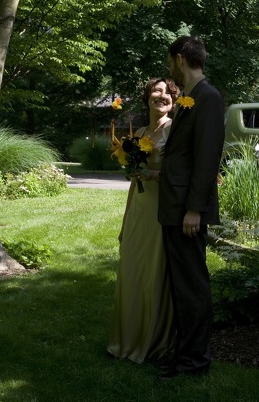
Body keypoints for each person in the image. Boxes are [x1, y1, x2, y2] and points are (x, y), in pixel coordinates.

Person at [158, 36, 225, 378]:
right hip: (174, 206)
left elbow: (207, 157)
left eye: (171, 61)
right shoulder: (188, 98)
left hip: (187, 209)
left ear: (180, 58)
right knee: (181, 285)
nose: (169, 68)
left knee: (192, 286)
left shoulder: (208, 98)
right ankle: (183, 354)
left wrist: (195, 209)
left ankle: (195, 362)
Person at [107, 77, 180, 364]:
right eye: (155, 91)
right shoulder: (138, 132)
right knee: (132, 270)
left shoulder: (176, 131)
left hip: (162, 211)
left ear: (174, 101)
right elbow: (132, 179)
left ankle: (154, 343)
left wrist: (155, 175)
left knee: (154, 273)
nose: (161, 96)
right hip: (139, 208)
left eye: (167, 92)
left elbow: (182, 174)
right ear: (147, 96)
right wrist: (125, 222)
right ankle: (127, 339)